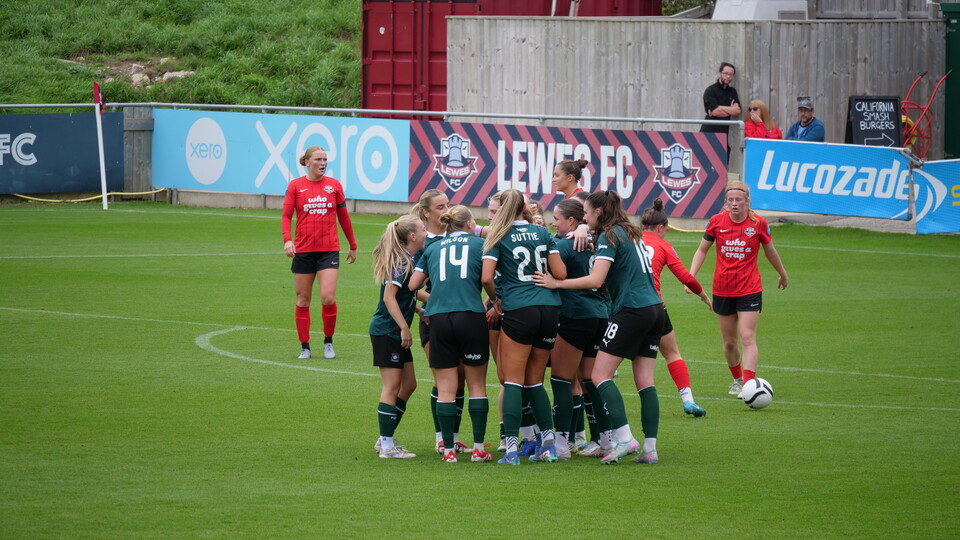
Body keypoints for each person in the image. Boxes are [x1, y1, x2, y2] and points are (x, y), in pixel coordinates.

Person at [533, 190, 665, 465]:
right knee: (645, 382)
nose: (585, 217)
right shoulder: (631, 232)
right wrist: (583, 227)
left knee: (600, 375)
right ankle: (649, 449)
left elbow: (595, 280)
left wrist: (557, 283)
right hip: (655, 309)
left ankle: (624, 438)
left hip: (630, 310)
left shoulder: (609, 235)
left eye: (588, 212)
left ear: (599, 213)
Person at [482, 189, 567, 465]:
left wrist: (496, 300)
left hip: (519, 309)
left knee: (513, 380)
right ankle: (549, 446)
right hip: (549, 308)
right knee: (536, 381)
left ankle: (510, 451)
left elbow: (486, 277)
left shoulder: (499, 234)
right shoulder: (541, 232)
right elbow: (561, 273)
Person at [687, 181, 789, 397]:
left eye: (738, 200)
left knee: (747, 338)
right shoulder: (716, 222)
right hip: (722, 289)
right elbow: (702, 250)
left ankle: (749, 386)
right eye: (730, 200)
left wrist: (782, 273)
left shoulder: (758, 223)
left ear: (747, 202)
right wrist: (691, 277)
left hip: (750, 289)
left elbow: (770, 251)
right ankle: (737, 380)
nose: (734, 204)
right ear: (726, 201)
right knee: (730, 342)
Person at [409, 205, 493, 463]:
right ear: (469, 224)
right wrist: (494, 299)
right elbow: (490, 279)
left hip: (439, 320)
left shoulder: (432, 248)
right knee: (476, 384)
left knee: (446, 387)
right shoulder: (481, 246)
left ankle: (447, 450)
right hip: (471, 315)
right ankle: (479, 449)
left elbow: (413, 285)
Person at [547, 198, 610, 459]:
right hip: (600, 316)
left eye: (557, 218)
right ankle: (604, 440)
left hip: (574, 316)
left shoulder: (562, 246)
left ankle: (562, 446)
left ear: (571, 221)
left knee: (561, 380)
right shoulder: (597, 244)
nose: (553, 222)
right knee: (590, 380)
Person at [282, 146, 358, 360]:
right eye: (318, 159)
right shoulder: (296, 186)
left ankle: (328, 342)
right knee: (302, 300)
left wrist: (352, 245)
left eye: (325, 159)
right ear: (307, 162)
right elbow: (286, 216)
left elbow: (344, 217)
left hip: (329, 250)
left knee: (327, 297)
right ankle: (305, 347)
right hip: (304, 251)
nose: (323, 163)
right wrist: (288, 240)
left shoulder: (334, 186)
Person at [640, 198, 712, 417]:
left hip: (625, 308)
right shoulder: (664, 245)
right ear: (661, 227)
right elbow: (685, 277)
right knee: (671, 352)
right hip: (654, 306)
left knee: (611, 358)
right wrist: (703, 296)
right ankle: (688, 400)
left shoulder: (627, 239)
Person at [370, 215, 426, 459]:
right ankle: (387, 445)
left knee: (409, 384)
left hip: (394, 331)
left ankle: (385, 437)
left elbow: (405, 295)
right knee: (392, 386)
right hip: (388, 332)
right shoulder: (400, 263)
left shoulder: (407, 260)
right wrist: (405, 327)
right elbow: (388, 298)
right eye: (423, 230)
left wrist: (419, 308)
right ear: (412, 236)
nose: (426, 233)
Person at [700, 62, 741, 137]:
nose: (728, 76)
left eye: (731, 74)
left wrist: (720, 108)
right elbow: (715, 112)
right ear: (719, 74)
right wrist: (730, 110)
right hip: (708, 132)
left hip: (723, 133)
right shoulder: (710, 90)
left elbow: (737, 110)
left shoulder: (732, 91)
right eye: (725, 73)